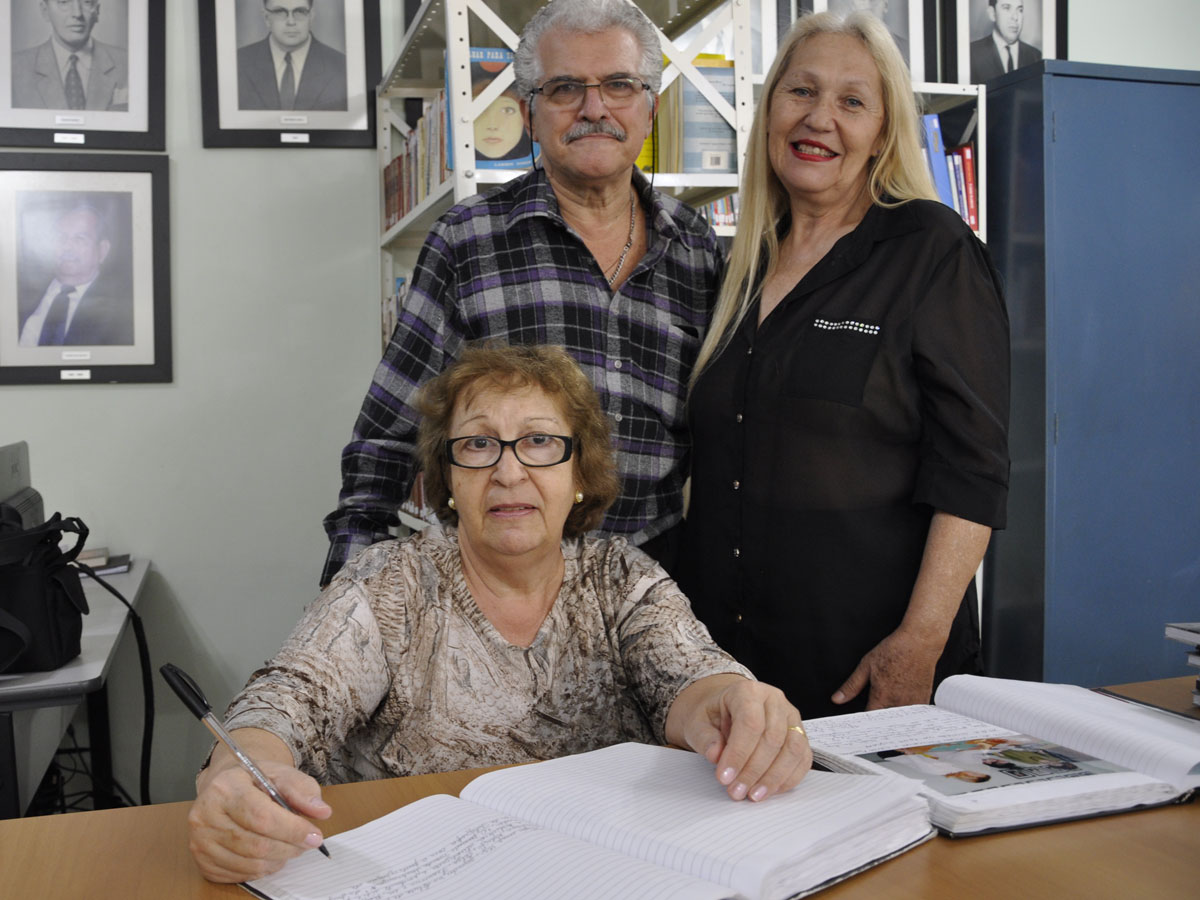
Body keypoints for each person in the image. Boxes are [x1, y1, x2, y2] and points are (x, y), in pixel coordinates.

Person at [189, 344, 812, 883]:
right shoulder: (390, 583)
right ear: (447, 479)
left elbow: (691, 676)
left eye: (540, 441)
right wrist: (243, 774)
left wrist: (734, 703)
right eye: (479, 444)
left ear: (579, 474)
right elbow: (287, 699)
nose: (509, 471)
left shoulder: (621, 577)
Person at [676, 11, 1010, 720]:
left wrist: (918, 644)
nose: (820, 118)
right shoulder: (737, 265)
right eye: (801, 92)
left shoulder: (931, 250)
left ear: (883, 132)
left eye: (852, 101)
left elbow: (972, 473)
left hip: (869, 671)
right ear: (769, 113)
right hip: (732, 671)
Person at [321, 0, 724, 586]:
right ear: (529, 114)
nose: (594, 108)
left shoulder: (697, 250)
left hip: (655, 578)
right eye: (564, 88)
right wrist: (346, 602)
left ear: (650, 107)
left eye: (618, 85)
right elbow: (386, 435)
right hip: (501, 583)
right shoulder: (468, 240)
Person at [17, 202, 132, 346]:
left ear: (102, 250)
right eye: (61, 237)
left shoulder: (122, 312)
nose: (67, 247)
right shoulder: (19, 294)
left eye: (80, 239)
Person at [11, 0, 129, 111]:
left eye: (86, 2)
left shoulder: (128, 63)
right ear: (45, 11)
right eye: (64, 2)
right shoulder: (13, 68)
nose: (77, 13)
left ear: (97, 10)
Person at [237, 0, 348, 111]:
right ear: (267, 18)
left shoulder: (342, 67)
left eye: (300, 11)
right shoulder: (238, 63)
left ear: (311, 16)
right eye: (280, 12)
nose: (291, 21)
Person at [969, 0, 1042, 82]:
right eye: (1007, 8)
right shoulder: (972, 54)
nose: (1015, 17)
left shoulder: (1036, 57)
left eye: (1020, 10)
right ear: (992, 13)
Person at [830, 0, 909, 67]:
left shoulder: (906, 49)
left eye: (873, 0)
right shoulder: (835, 50)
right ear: (853, 5)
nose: (867, 5)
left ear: (886, 4)